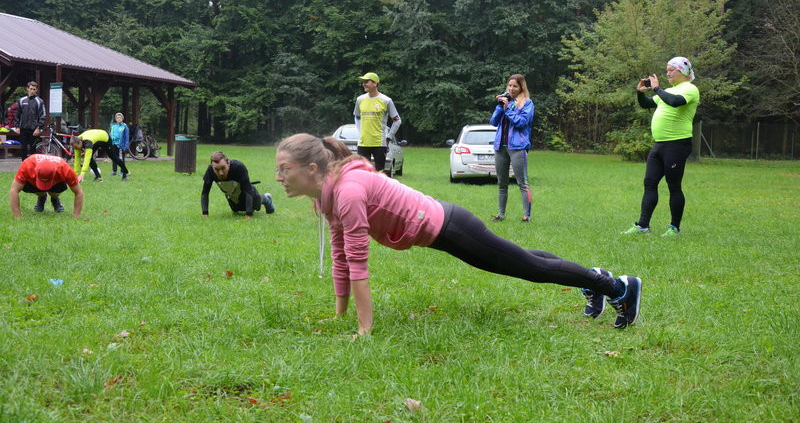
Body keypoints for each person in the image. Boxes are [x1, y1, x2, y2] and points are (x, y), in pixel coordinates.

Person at [275, 134, 642, 336]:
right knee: (523, 258)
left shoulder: (348, 191)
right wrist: (340, 316)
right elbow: (340, 257)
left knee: (528, 266)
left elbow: (358, 263)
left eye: (284, 169)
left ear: (310, 168)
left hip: (450, 227)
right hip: (446, 226)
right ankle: (597, 281)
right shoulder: (330, 197)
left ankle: (618, 288)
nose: (278, 177)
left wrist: (364, 329)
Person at [623, 57, 700, 237]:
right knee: (649, 183)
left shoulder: (690, 89)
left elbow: (675, 102)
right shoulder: (669, 91)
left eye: (671, 70)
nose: (668, 73)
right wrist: (640, 92)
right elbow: (646, 104)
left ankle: (674, 228)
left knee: (674, 186)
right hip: (660, 145)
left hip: (677, 144)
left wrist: (657, 88)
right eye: (667, 70)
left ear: (683, 72)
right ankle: (643, 226)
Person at [489, 74, 535, 222]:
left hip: (517, 147)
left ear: (521, 87)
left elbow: (521, 122)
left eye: (515, 86)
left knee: (522, 183)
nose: (511, 88)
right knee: (502, 184)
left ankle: (526, 216)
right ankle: (501, 215)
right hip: (500, 147)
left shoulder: (527, 103)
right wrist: (499, 106)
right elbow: (493, 122)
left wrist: (508, 109)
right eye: (509, 85)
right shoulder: (505, 102)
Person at [201, 151, 275, 219]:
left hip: (247, 190)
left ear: (228, 163)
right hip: (231, 194)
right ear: (212, 166)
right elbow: (205, 193)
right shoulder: (210, 170)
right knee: (236, 209)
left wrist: (248, 215)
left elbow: (248, 191)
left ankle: (266, 198)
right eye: (217, 169)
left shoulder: (238, 167)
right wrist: (205, 214)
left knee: (256, 206)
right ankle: (247, 206)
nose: (221, 173)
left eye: (223, 168)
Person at [353, 72, 401, 173]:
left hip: (379, 143)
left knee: (380, 174)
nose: (364, 84)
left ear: (375, 83)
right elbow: (357, 116)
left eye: (366, 81)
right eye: (363, 82)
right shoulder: (360, 99)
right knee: (362, 172)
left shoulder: (386, 100)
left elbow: (397, 121)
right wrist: (360, 131)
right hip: (363, 143)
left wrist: (389, 137)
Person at [9, 154, 83, 218]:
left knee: (54, 193)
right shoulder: (27, 165)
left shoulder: (64, 168)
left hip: (57, 180)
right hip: (33, 180)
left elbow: (79, 192)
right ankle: (42, 197)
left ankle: (55, 198)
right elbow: (14, 190)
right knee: (39, 191)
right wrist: (17, 216)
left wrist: (76, 216)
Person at [13, 82, 46, 160]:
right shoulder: (21, 100)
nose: (32, 91)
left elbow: (43, 116)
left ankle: (33, 168)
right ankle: (24, 168)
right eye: (31, 89)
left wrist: (38, 128)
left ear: (36, 90)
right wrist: (17, 127)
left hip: (34, 130)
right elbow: (17, 115)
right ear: (27, 89)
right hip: (23, 129)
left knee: (33, 150)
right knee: (23, 149)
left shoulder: (39, 101)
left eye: (34, 89)